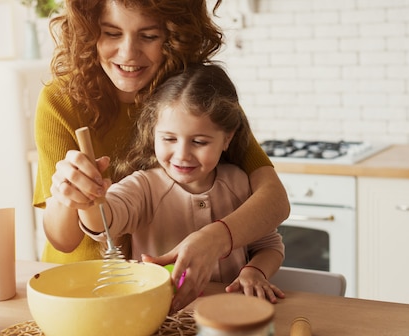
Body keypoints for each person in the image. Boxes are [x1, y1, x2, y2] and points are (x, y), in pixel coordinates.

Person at [33, 0, 290, 311]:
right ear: (88, 33)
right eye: (111, 33)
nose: (128, 53)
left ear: (174, 35)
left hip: (161, 294)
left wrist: (214, 239)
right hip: (78, 287)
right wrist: (67, 195)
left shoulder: (187, 96)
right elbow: (64, 240)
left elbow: (274, 200)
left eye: (149, 36)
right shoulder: (62, 100)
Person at [77, 63, 285, 307]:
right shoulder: (143, 187)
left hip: (230, 314)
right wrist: (89, 198)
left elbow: (269, 246)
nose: (182, 154)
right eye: (169, 139)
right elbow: (104, 222)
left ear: (227, 139)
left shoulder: (239, 184)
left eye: (199, 141)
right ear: (152, 133)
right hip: (160, 318)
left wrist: (254, 271)